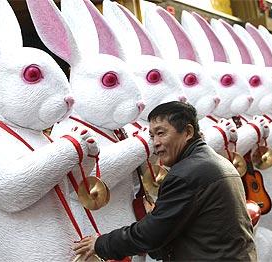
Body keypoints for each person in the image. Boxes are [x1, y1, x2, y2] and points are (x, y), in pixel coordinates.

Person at [73, 101, 257, 261]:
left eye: (161, 133)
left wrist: (100, 243)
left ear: (188, 132)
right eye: (152, 136)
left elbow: (150, 235)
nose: (156, 143)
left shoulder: (187, 173)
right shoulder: (214, 161)